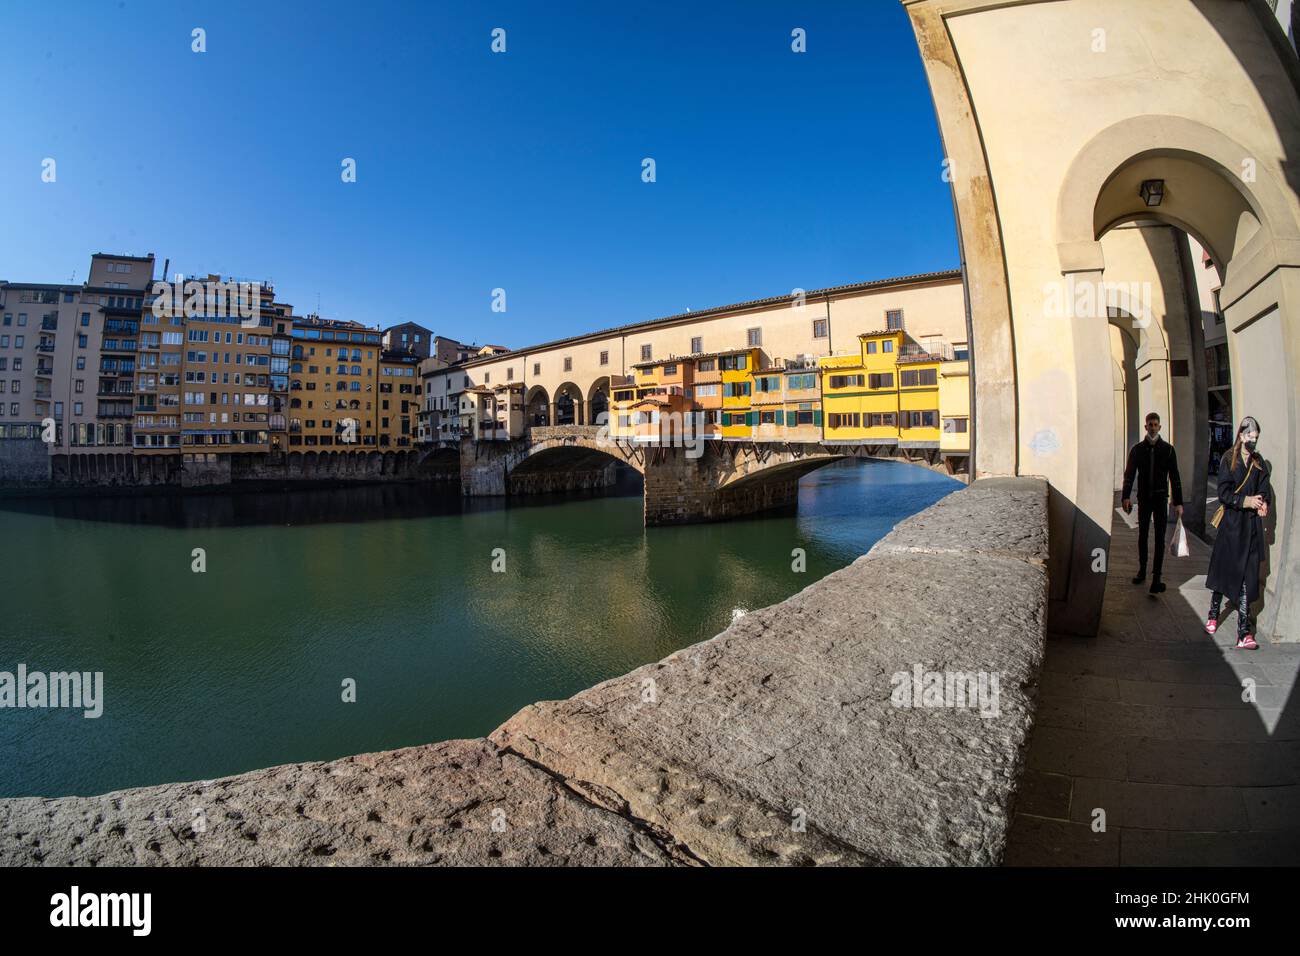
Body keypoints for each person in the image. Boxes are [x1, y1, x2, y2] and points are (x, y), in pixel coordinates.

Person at [1205, 416, 1273, 650]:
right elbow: (1224, 493)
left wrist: (1263, 501)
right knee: (1223, 574)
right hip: (1232, 527)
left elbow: (1264, 486)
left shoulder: (1258, 461)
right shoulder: (1228, 460)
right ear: (1242, 436)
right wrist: (1246, 501)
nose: (1253, 442)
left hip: (1251, 529)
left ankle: (1244, 632)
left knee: (1247, 578)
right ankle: (1213, 614)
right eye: (1250, 437)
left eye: (1256, 438)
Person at [1122, 411, 1184, 594]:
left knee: (1160, 538)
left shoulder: (1168, 450)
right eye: (1150, 424)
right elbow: (1129, 474)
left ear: (1160, 427)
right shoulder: (1137, 450)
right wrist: (1125, 496)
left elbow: (1175, 477)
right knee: (1143, 535)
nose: (1153, 427)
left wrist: (1178, 502)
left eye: (1156, 424)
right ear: (1146, 427)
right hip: (1144, 499)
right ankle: (1142, 570)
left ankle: (1157, 577)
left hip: (1160, 499)